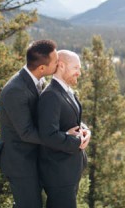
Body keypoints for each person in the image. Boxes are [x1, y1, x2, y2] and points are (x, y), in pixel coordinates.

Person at [0, 39, 68, 207]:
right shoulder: (15, 90)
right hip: (20, 161)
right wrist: (62, 138)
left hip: (35, 156)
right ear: (42, 68)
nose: (59, 63)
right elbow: (26, 132)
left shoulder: (38, 80)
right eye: (56, 61)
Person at [38, 49, 91, 208]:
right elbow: (48, 135)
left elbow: (72, 120)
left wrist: (86, 131)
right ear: (61, 66)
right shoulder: (51, 95)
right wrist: (77, 141)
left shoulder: (67, 91)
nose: (79, 73)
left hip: (70, 171)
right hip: (59, 175)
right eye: (76, 68)